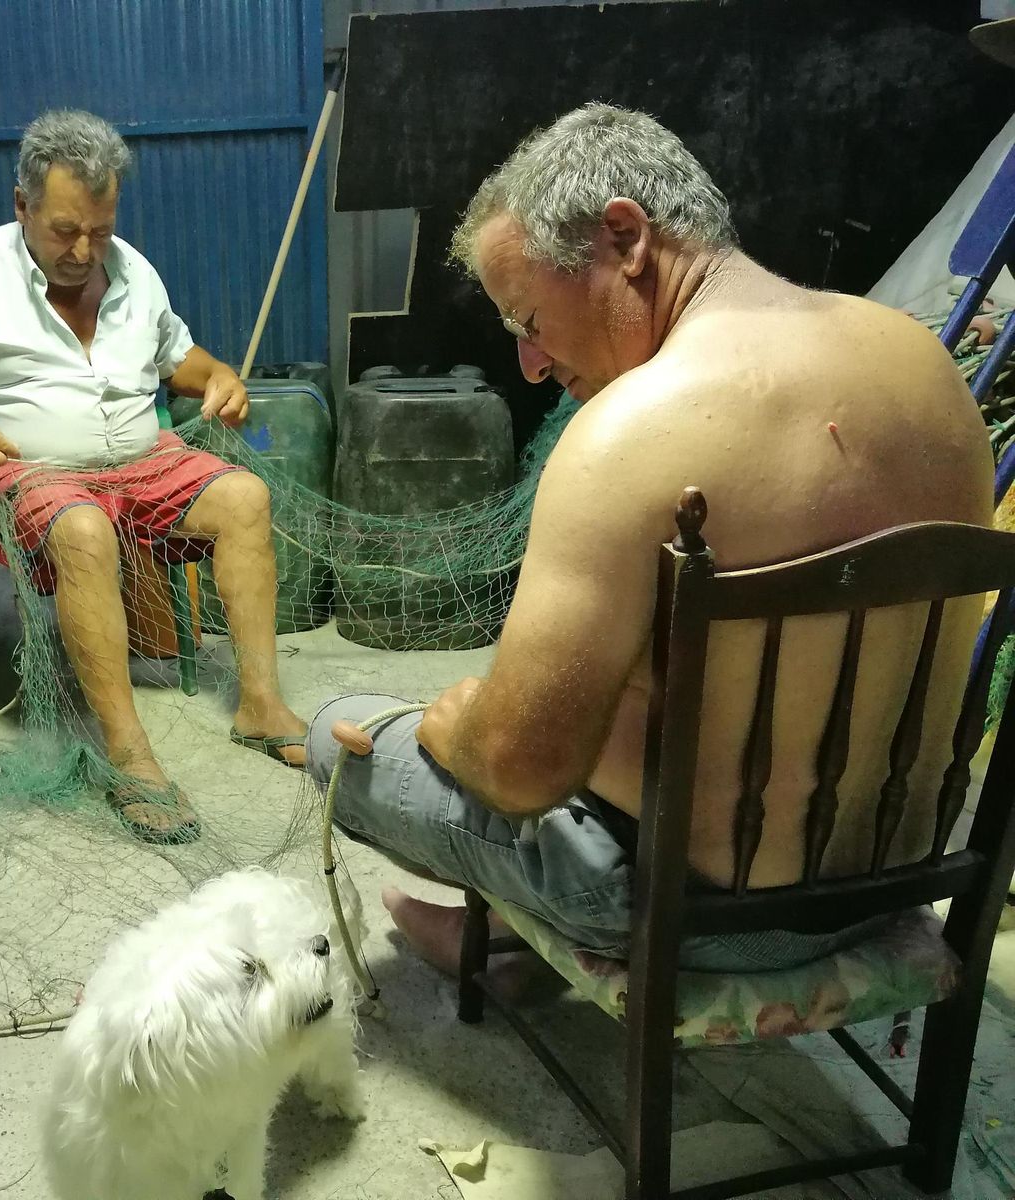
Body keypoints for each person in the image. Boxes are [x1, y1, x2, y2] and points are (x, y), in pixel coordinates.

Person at [308, 104, 993, 974]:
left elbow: (519, 770)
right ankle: (505, 937)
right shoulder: (926, 364)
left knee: (342, 732)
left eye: (526, 321)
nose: (529, 362)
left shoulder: (628, 434)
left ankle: (522, 927)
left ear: (625, 238)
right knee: (602, 701)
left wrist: (456, 729)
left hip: (706, 919)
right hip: (907, 875)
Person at [0, 108, 307, 844]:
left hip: (142, 462)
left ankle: (260, 703)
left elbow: (182, 361)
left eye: (99, 231)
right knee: (83, 527)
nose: (83, 249)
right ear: (22, 206)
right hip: (26, 472)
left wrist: (222, 379)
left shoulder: (134, 270)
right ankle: (128, 752)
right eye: (64, 230)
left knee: (244, 496)